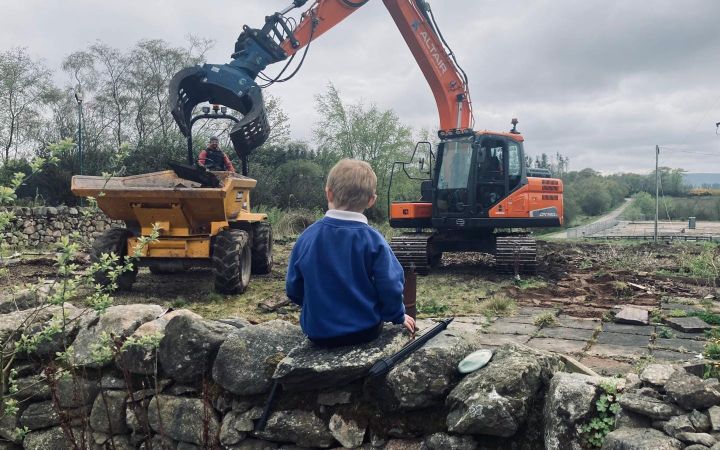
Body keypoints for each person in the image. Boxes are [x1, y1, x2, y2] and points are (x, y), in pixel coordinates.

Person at [286, 159, 415, 347]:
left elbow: (293, 287)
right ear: (372, 200)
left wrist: (315, 307)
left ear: (328, 193)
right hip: (364, 331)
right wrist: (396, 315)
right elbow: (391, 284)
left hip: (317, 332)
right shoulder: (374, 240)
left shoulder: (307, 237)